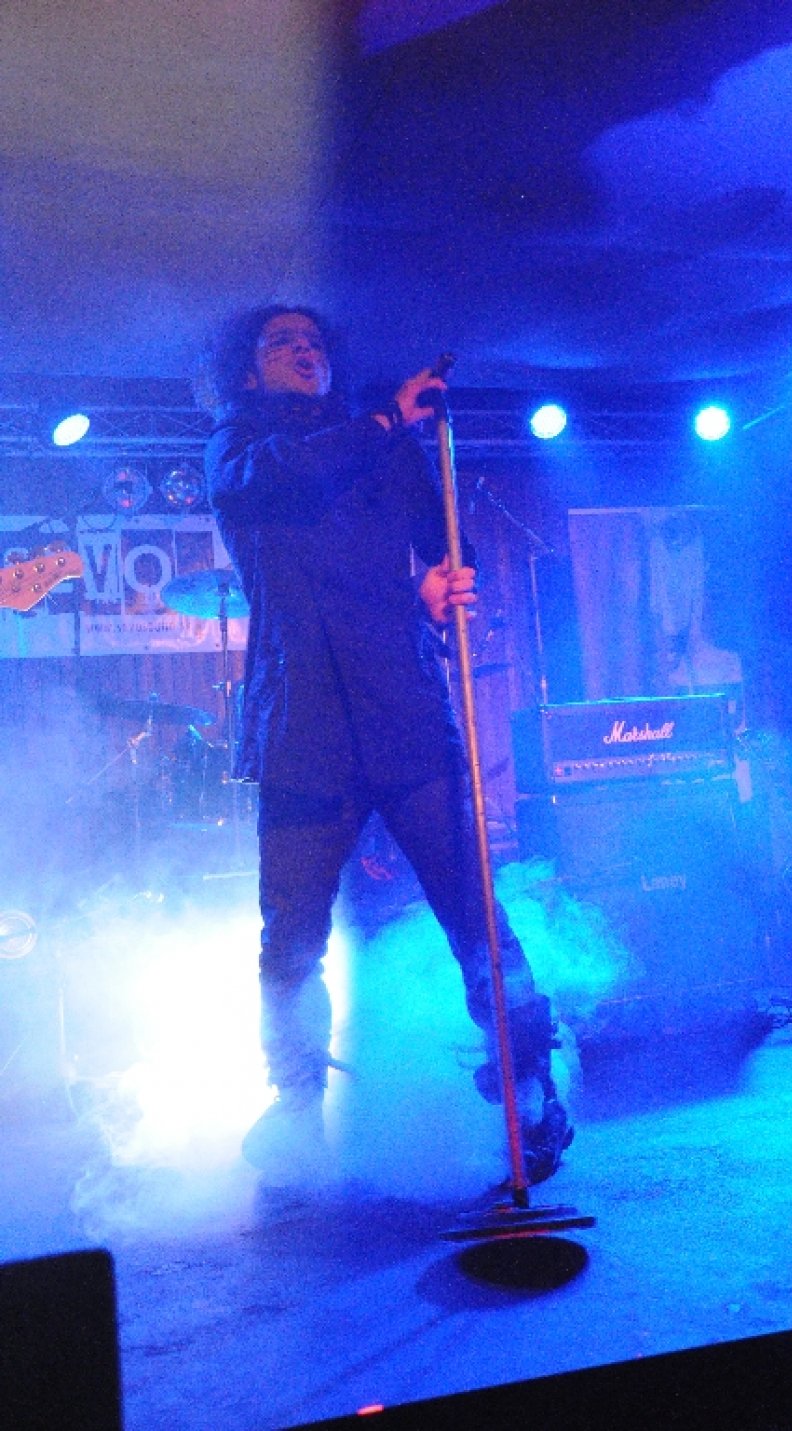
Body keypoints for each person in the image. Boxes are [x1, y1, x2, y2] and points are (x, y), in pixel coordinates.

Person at [200, 303, 572, 1186]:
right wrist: (386, 418)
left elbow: (444, 540)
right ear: (248, 370)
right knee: (290, 937)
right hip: (302, 726)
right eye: (283, 343)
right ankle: (296, 1104)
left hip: (402, 709)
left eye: (316, 342)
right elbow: (283, 481)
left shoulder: (384, 446)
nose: (306, 351)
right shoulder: (239, 447)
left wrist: (441, 581)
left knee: (475, 912)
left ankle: (526, 1086)